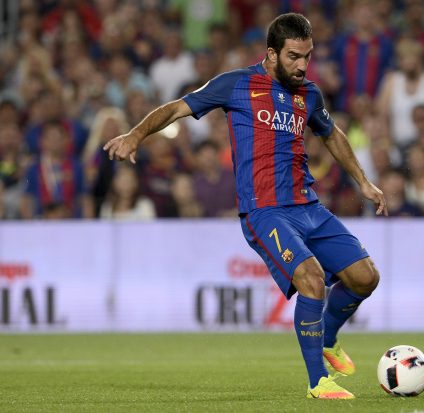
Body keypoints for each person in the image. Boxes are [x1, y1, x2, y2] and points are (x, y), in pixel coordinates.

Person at [103, 13, 386, 400]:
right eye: (293, 57)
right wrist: (136, 135)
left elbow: (332, 134)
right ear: (271, 54)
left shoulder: (310, 94)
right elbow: (174, 109)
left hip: (309, 205)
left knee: (365, 277)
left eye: (307, 56)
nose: (302, 66)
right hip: (264, 211)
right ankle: (319, 381)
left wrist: (363, 182)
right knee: (312, 279)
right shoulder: (235, 84)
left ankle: (328, 338)